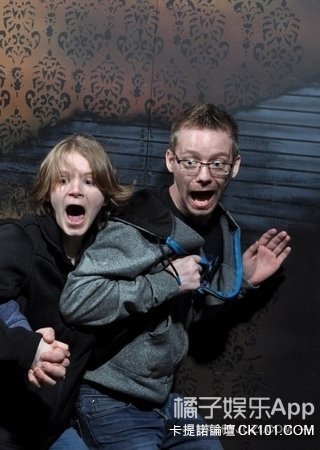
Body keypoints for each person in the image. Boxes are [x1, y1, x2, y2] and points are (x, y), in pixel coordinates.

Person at [59, 104, 292, 449]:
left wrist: (243, 280)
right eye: (190, 161)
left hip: (164, 397)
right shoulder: (138, 224)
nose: (203, 175)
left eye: (217, 163)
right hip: (109, 397)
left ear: (234, 167)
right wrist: (167, 279)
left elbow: (191, 307)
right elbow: (77, 301)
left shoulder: (216, 229)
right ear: (171, 161)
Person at [0, 133, 134, 450]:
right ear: (49, 192)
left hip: (49, 433)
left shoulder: (105, 258)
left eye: (89, 181)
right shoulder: (20, 241)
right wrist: (28, 348)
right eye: (63, 180)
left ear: (105, 197)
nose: (75, 189)